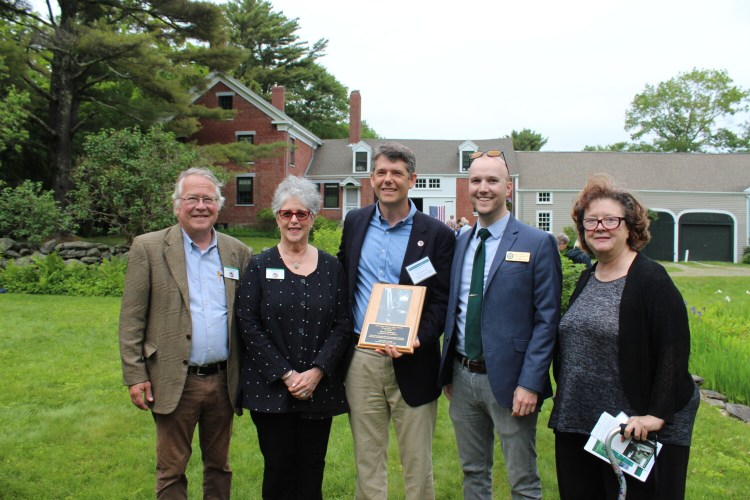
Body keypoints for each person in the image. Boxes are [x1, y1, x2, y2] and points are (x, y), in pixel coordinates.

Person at [549, 173, 699, 499]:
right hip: (580, 419)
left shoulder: (650, 279)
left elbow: (673, 347)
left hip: (633, 427)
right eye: (591, 221)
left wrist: (657, 414)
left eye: (610, 220)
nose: (599, 227)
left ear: (630, 227)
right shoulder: (589, 276)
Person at [119, 167, 252, 499]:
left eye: (208, 199)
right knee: (171, 470)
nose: (200, 206)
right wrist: (135, 375)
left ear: (219, 205)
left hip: (223, 380)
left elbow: (248, 316)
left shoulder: (237, 252)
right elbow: (131, 318)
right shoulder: (148, 248)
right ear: (177, 205)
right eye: (192, 198)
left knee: (219, 466)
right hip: (173, 377)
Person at [438, 150, 562, 499]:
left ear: (508, 188)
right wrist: (449, 370)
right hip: (462, 377)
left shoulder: (537, 243)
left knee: (522, 478)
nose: (483, 188)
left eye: (492, 180)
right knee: (473, 472)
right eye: (476, 180)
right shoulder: (461, 242)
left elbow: (547, 318)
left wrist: (531, 382)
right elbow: (456, 308)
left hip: (511, 382)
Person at [338, 142, 455, 499]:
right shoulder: (355, 223)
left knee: (417, 461)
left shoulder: (437, 234)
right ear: (372, 178)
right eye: (382, 173)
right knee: (367, 458)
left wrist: (418, 337)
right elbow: (345, 278)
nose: (388, 180)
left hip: (414, 358)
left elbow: (442, 300)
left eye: (397, 173)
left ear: (412, 179)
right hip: (363, 358)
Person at [235, 175, 351, 500]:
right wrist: (286, 375)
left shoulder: (332, 268)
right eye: (287, 213)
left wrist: (317, 371)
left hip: (320, 387)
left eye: (302, 213)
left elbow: (343, 323)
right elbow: (249, 324)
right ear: (277, 218)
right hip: (271, 388)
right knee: (278, 468)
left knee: (312, 466)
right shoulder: (259, 266)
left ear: (313, 217)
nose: (294, 220)